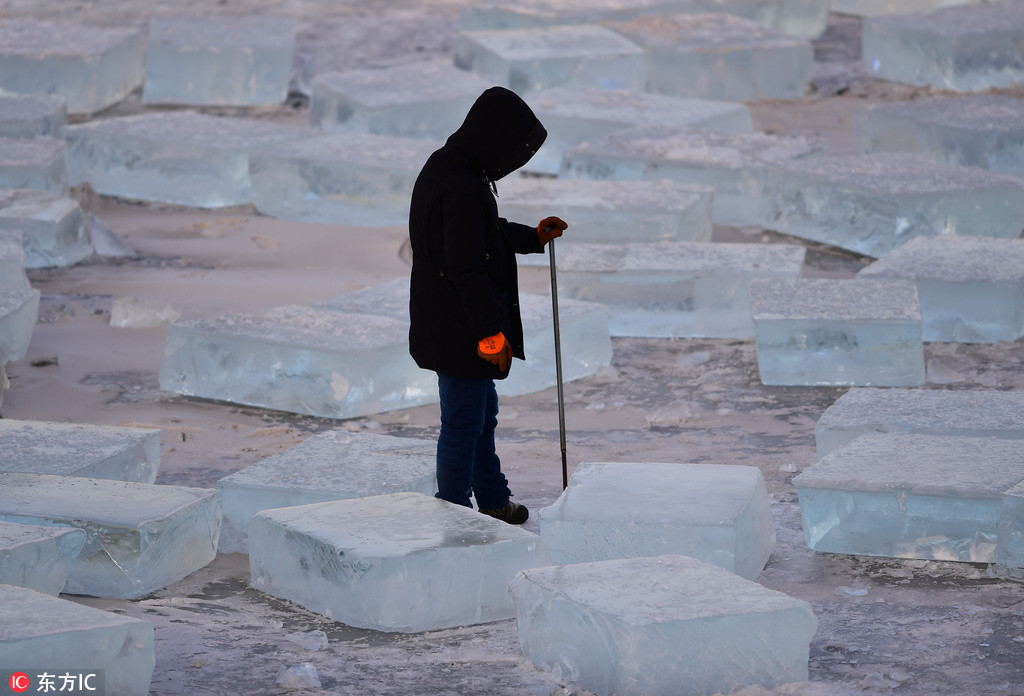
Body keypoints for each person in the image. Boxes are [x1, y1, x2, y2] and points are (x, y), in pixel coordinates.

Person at [407, 86, 567, 525]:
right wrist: (488, 333)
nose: (509, 164)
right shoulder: (459, 185)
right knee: (462, 424)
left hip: (451, 324)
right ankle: (455, 514)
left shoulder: (455, 169)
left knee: (480, 416)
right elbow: (466, 268)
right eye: (510, 152)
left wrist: (532, 238)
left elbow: (485, 234)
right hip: (458, 328)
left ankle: (492, 499)